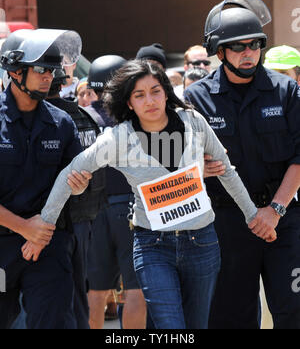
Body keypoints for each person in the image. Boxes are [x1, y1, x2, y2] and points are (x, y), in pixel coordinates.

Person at [23, 59, 275, 329]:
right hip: (153, 247)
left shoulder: (193, 122)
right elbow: (67, 175)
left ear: (166, 92)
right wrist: (44, 229)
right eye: (139, 95)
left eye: (155, 91)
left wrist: (252, 215)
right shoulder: (119, 138)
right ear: (129, 103)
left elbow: (227, 171)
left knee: (196, 325)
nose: (150, 100)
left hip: (202, 244)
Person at [184, 0, 300, 329]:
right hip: (226, 224)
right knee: (230, 316)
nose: (248, 53)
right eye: (239, 46)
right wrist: (195, 168)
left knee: (293, 311)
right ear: (219, 52)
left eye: (255, 44)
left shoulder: (286, 91)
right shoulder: (196, 98)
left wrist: (275, 210)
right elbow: (176, 160)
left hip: (282, 221)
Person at [0, 28, 91, 329]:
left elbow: (75, 182)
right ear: (15, 70)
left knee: (53, 321)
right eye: (40, 69)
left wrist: (81, 185)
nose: (48, 76)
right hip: (5, 242)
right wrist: (25, 228)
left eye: (52, 70)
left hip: (48, 245)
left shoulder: (62, 123)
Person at [41, 67, 106, 329]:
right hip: (86, 219)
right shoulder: (85, 116)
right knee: (78, 294)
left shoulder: (47, 118)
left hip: (53, 222)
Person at [85, 55, 147, 329]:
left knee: (95, 290)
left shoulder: (80, 119)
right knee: (135, 290)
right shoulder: (136, 120)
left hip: (92, 212)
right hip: (131, 209)